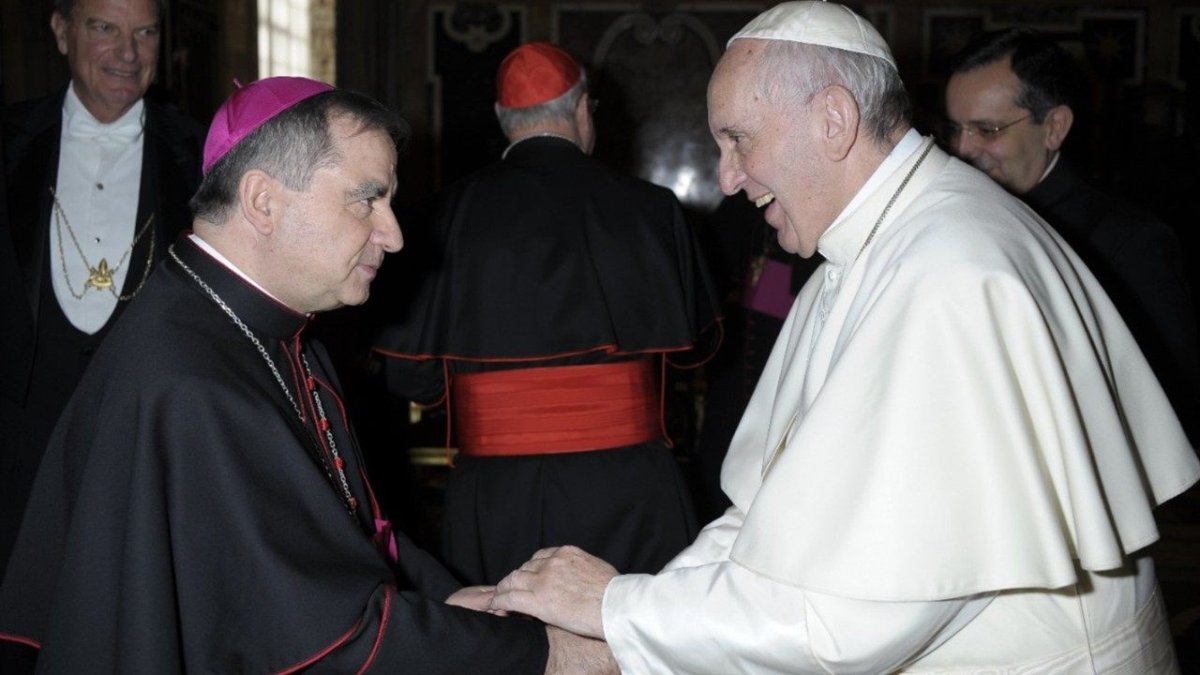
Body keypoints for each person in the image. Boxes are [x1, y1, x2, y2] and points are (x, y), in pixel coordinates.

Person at [488, 3, 1200, 672]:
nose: (727, 178)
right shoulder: (869, 247)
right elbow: (765, 517)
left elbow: (853, 621)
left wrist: (618, 608)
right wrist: (626, 618)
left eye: (737, 138)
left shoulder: (947, 273)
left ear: (832, 120)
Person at [0, 76, 615, 674]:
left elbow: (353, 527)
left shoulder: (274, 329)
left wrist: (447, 596)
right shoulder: (194, 384)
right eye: (367, 199)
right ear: (263, 201)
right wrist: (544, 655)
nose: (394, 235)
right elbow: (321, 637)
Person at [373, 42, 722, 586]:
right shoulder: (653, 210)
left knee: (504, 632)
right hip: (630, 492)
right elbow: (695, 351)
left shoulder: (438, 219)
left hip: (497, 498)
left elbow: (412, 378)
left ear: (501, 117)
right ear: (583, 108)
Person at [0, 0, 204, 581]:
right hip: (18, 441)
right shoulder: (8, 141)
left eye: (145, 32)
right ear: (62, 32)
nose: (128, 53)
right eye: (104, 28)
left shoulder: (202, 154)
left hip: (147, 439)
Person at [943, 26, 1200, 444]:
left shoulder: (1129, 242)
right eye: (955, 128)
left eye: (987, 130)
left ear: (1054, 127)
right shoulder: (961, 219)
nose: (963, 149)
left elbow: (1171, 406)